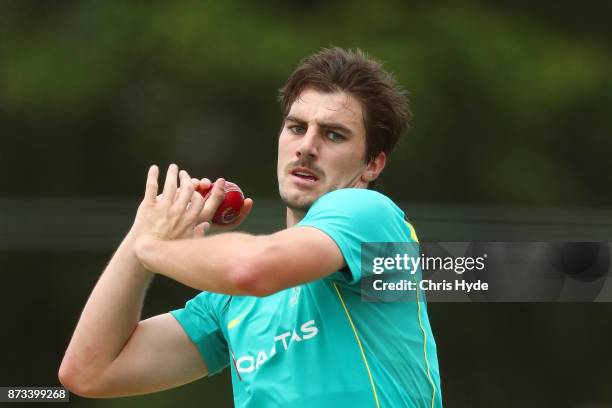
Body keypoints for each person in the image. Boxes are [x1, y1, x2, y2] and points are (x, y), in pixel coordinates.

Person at [59, 47, 443, 407]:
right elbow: (89, 372)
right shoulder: (230, 303)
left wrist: (156, 248)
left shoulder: (368, 212)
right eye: (296, 127)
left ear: (372, 165)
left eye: (333, 134)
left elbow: (252, 269)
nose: (306, 146)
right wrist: (140, 237)